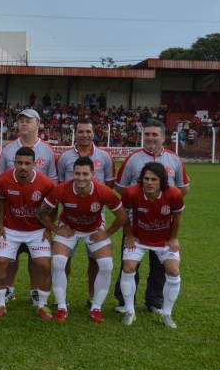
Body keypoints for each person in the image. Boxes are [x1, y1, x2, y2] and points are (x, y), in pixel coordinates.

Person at [38, 156, 127, 323]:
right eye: (77, 173)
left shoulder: (104, 191)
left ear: (93, 174)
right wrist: (56, 229)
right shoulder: (62, 189)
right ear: (73, 173)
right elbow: (41, 212)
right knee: (58, 262)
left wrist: (107, 233)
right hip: (69, 229)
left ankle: (96, 309)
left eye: (85, 174)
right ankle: (62, 307)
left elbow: (122, 216)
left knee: (107, 265)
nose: (81, 178)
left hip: (94, 230)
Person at [113, 119, 189, 314]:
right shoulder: (133, 159)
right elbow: (121, 187)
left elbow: (183, 188)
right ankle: (124, 302)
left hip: (163, 223)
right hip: (136, 221)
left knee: (159, 266)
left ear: (163, 137)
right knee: (129, 262)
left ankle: (154, 302)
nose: (150, 138)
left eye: (155, 134)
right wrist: (139, 200)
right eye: (147, 134)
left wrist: (165, 201)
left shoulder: (174, 159)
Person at [0, 108, 58, 307]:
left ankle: (35, 292)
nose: (24, 123)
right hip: (12, 217)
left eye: (28, 120)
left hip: (36, 220)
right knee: (10, 258)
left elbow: (53, 185)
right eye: (21, 120)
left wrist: (48, 223)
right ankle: (8, 290)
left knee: (36, 258)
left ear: (38, 124)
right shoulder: (8, 149)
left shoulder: (47, 150)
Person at [56, 118, 116, 306]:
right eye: (81, 131)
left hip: (95, 216)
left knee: (96, 260)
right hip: (70, 217)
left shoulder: (105, 157)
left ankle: (92, 297)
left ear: (93, 133)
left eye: (88, 131)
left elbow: (109, 185)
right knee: (64, 259)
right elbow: (61, 184)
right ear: (76, 133)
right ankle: (63, 298)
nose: (84, 135)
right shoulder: (65, 157)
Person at [119, 162, 185, 328]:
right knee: (128, 268)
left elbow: (178, 217)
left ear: (161, 181)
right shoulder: (131, 193)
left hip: (164, 240)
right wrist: (129, 235)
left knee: (173, 271)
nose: (149, 182)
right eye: (146, 178)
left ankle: (167, 314)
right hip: (139, 239)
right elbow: (123, 214)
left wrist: (174, 238)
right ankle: (129, 311)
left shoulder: (174, 194)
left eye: (153, 179)